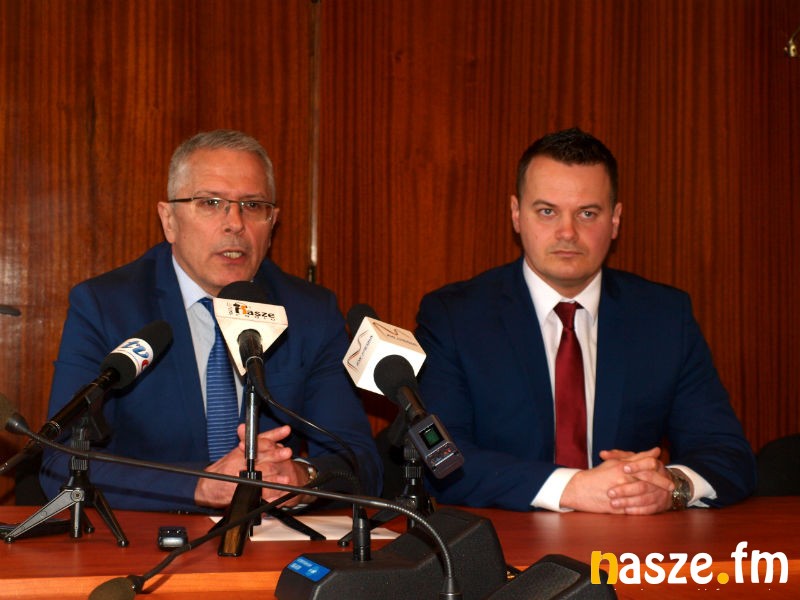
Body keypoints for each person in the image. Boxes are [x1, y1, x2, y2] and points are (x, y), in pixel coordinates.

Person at [415, 127, 756, 514]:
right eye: (547, 211)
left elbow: (728, 454)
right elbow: (442, 462)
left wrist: (671, 486)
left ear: (615, 220)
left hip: (631, 543)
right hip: (505, 541)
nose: (567, 232)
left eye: (587, 213)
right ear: (516, 214)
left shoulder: (663, 317)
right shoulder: (456, 317)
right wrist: (572, 488)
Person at [40, 129, 382, 512]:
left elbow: (361, 462)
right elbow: (60, 463)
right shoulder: (106, 306)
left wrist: (301, 479)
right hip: (149, 537)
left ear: (272, 223)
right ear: (169, 220)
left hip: (274, 538)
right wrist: (201, 485)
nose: (234, 223)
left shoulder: (310, 312)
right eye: (211, 202)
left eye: (253, 205)